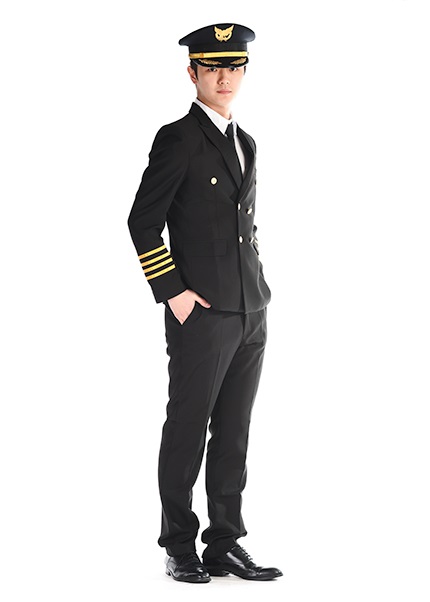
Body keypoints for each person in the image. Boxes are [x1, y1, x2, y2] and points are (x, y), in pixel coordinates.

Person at [128, 22, 282, 583]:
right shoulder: (178, 138)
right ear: (192, 72)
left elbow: (244, 226)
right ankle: (179, 545)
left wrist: (256, 285)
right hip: (201, 314)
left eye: (234, 67)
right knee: (188, 428)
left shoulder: (247, 141)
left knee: (234, 432)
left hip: (249, 311)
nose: (224, 77)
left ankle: (224, 543)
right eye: (213, 67)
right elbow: (142, 222)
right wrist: (173, 293)